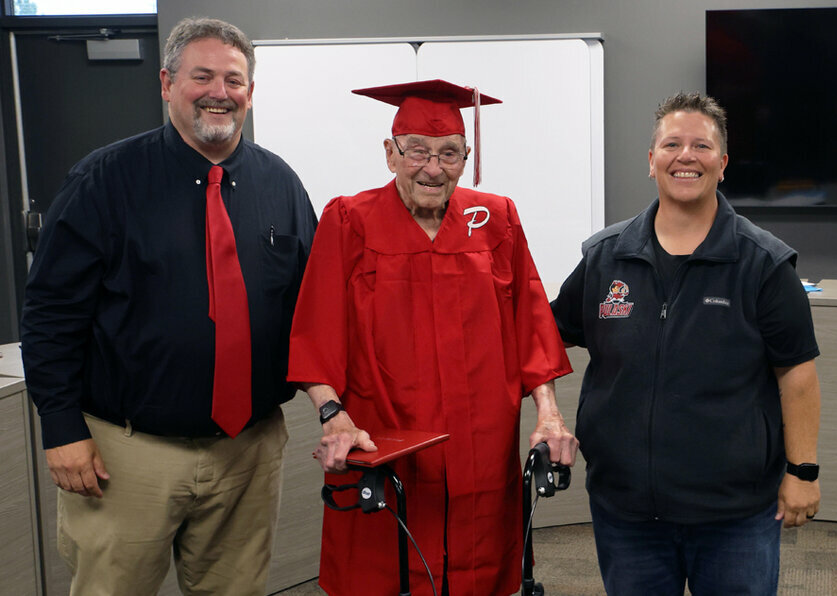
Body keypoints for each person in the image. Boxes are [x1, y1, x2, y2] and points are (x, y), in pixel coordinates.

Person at [20, 17, 317, 596]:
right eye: (201, 75)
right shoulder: (103, 181)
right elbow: (50, 315)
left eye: (234, 80)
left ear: (250, 93)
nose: (218, 92)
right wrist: (60, 429)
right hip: (127, 457)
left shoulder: (279, 183)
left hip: (249, 452)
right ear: (166, 83)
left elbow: (309, 308)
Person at [287, 79, 579, 595]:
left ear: (466, 156)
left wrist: (550, 414)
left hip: (480, 441)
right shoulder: (349, 220)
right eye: (417, 150)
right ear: (390, 153)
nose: (432, 167)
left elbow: (531, 322)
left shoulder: (495, 218)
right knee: (386, 571)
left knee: (479, 570)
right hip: (385, 434)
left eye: (449, 154)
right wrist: (332, 415)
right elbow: (316, 330)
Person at [550, 91, 821, 595]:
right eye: (672, 144)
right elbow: (544, 339)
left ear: (722, 163)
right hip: (625, 509)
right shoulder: (606, 258)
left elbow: (798, 375)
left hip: (735, 514)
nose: (686, 156)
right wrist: (548, 415)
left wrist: (802, 470)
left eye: (701, 146)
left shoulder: (763, 264)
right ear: (651, 161)